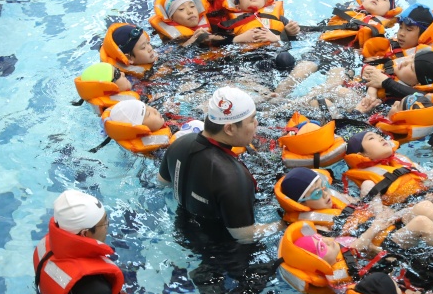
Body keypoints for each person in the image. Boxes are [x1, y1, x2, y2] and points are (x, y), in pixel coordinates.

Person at [157, 86, 280, 243]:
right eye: (251, 120)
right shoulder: (233, 178)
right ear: (229, 129)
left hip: (181, 228)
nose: (256, 123)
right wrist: (284, 224)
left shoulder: (180, 143)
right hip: (221, 252)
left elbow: (162, 184)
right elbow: (245, 236)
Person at [361, 47, 433, 102]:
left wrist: (371, 95)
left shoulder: (400, 99)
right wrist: (366, 69)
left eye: (411, 67)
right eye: (411, 57)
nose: (405, 62)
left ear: (417, 84)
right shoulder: (391, 64)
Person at [361, 3, 433, 59]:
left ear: (425, 34)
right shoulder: (394, 44)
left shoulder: (427, 60)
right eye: (400, 27)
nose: (401, 33)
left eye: (408, 29)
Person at [149, 0, 224, 47]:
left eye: (192, 6)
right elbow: (170, 57)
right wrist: (192, 41)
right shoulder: (168, 39)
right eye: (181, 9)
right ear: (171, 17)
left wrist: (211, 37)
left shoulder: (212, 27)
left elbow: (228, 39)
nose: (190, 12)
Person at [102, 99, 171, 154]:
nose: (155, 110)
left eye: (147, 106)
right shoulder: (155, 152)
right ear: (140, 130)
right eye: (148, 114)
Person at [73, 62, 137, 114]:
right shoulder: (122, 115)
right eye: (117, 74)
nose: (123, 73)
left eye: (118, 70)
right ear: (110, 90)